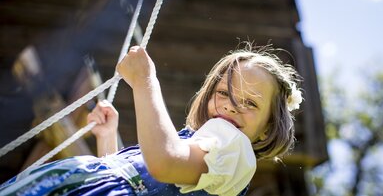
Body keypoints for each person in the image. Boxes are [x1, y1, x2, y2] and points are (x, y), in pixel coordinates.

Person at [0, 43, 303, 196]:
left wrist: (146, 82)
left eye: (250, 102)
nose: (231, 106)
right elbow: (128, 181)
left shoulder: (234, 148)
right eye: (223, 92)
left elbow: (164, 164)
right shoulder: (199, 146)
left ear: (267, 130)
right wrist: (108, 137)